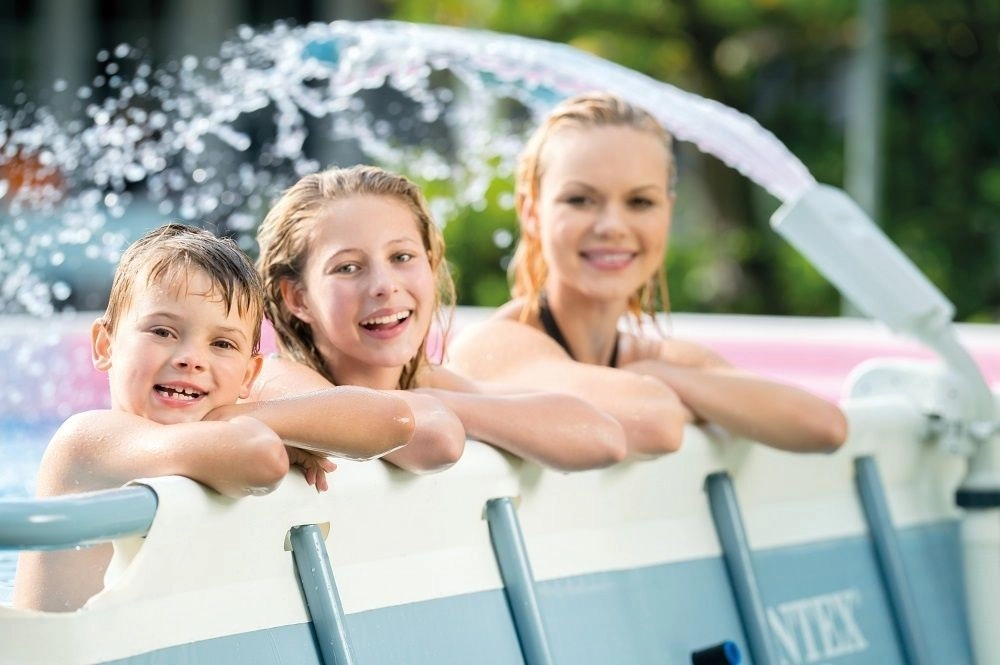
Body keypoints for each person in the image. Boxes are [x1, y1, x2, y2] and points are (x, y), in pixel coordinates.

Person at [14, 223, 415, 612]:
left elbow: (393, 420)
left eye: (222, 343)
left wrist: (239, 413)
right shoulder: (89, 438)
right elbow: (260, 458)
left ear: (248, 375)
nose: (191, 358)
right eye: (162, 331)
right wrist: (271, 433)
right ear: (105, 345)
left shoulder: (222, 428)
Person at [447, 92, 848, 456]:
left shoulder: (656, 359)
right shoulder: (497, 344)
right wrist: (684, 393)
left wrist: (660, 375)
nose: (612, 226)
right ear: (532, 212)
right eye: (581, 200)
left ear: (667, 212)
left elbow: (825, 427)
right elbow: (655, 423)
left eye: (640, 202)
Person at [253, 164, 627, 474]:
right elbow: (438, 440)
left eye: (402, 257)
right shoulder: (278, 379)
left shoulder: (427, 383)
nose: (384, 286)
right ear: (297, 298)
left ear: (431, 267)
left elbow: (604, 438)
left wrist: (439, 398)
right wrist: (438, 404)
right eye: (348, 267)